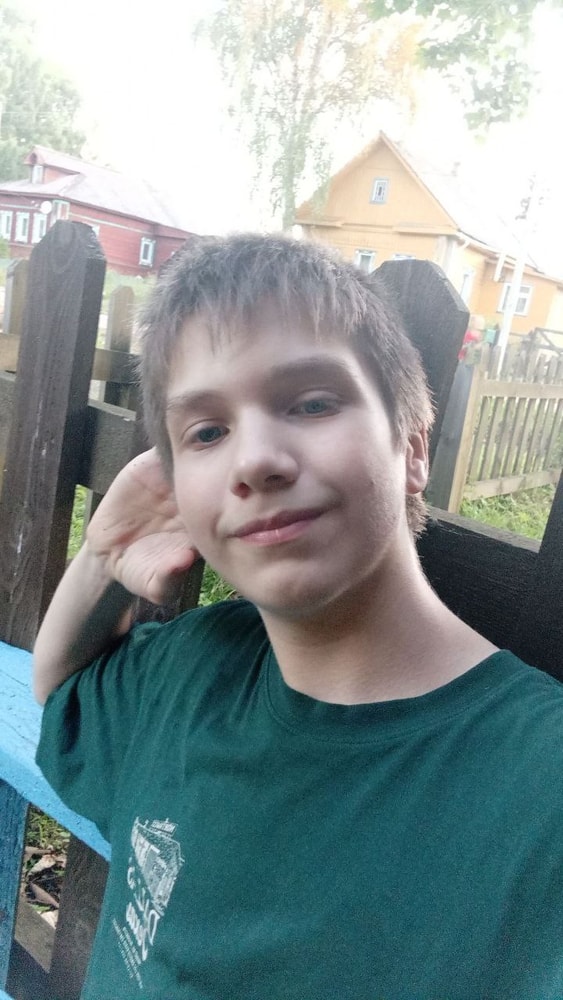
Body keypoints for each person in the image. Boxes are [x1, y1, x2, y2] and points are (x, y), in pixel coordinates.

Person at [34, 234, 563, 1000]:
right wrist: (101, 557)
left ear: (414, 447)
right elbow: (64, 694)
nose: (254, 460)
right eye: (206, 432)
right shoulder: (186, 670)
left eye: (312, 402)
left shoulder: (540, 788)